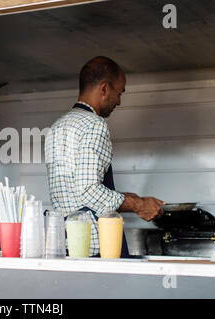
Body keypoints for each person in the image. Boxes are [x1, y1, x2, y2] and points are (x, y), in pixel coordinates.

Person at [45, 56, 165, 257]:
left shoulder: (57, 127)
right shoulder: (94, 125)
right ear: (104, 89)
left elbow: (75, 190)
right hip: (96, 245)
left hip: (66, 241)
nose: (119, 101)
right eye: (119, 93)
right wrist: (139, 205)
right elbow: (88, 190)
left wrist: (132, 198)